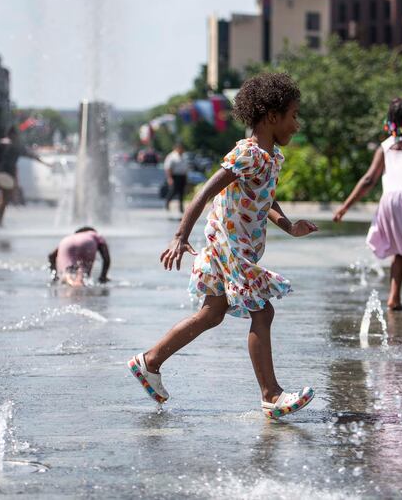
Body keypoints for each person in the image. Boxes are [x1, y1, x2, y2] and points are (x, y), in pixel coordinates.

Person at [127, 73, 318, 419]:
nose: (296, 123)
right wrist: (180, 235)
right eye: (293, 115)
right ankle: (272, 395)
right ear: (273, 117)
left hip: (235, 245)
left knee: (212, 313)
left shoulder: (270, 157)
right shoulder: (249, 153)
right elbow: (204, 192)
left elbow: (266, 200)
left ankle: (150, 361)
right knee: (263, 310)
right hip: (229, 245)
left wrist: (289, 225)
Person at [334, 98, 402, 313]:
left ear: (390, 120)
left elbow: (368, 180)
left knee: (400, 250)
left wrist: (345, 207)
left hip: (390, 199)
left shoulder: (384, 146)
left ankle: (393, 298)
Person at [0, 127, 49, 227]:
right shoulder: (16, 146)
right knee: (5, 198)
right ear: (14, 135)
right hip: (8, 175)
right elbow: (32, 155)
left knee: (3, 197)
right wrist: (45, 163)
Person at [163, 142, 189, 212]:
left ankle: (181, 208)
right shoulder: (172, 156)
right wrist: (169, 178)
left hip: (182, 176)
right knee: (173, 191)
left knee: (181, 193)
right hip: (175, 176)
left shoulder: (184, 156)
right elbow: (168, 168)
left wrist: (186, 178)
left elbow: (186, 168)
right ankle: (167, 203)